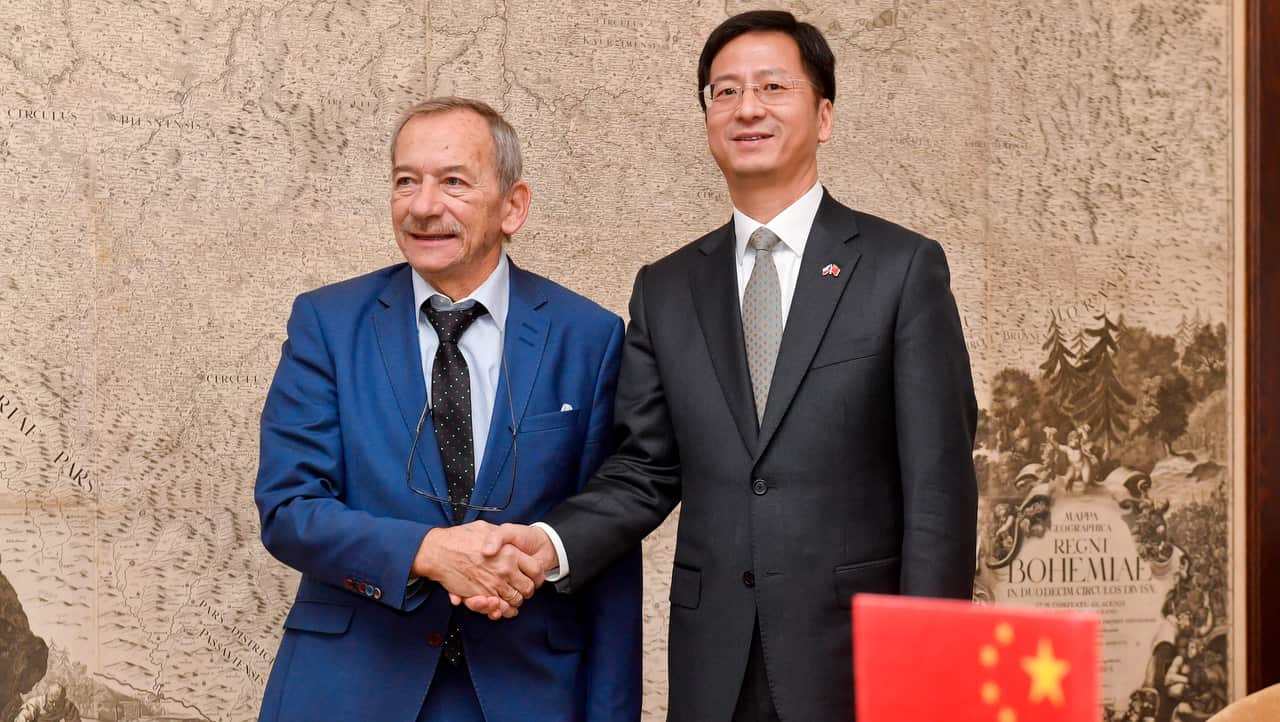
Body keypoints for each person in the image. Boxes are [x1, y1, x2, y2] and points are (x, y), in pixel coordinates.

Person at [473, 11, 978, 722]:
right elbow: (646, 468)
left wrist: (927, 670)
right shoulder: (668, 286)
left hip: (860, 661)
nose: (747, 108)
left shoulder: (900, 270)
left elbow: (939, 491)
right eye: (724, 91)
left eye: (773, 86)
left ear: (824, 114)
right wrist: (547, 544)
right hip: (716, 661)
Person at [254, 97, 641, 722]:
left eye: (453, 182)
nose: (423, 206)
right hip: (352, 689)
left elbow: (608, 540)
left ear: (513, 205)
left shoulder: (589, 336)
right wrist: (429, 552)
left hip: (531, 693)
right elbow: (289, 507)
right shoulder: (327, 323)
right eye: (406, 181)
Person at [15, 684, 80, 722]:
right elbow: (21, 718)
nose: (54, 705)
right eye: (51, 702)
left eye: (58, 703)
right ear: (47, 696)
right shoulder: (35, 703)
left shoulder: (68, 706)